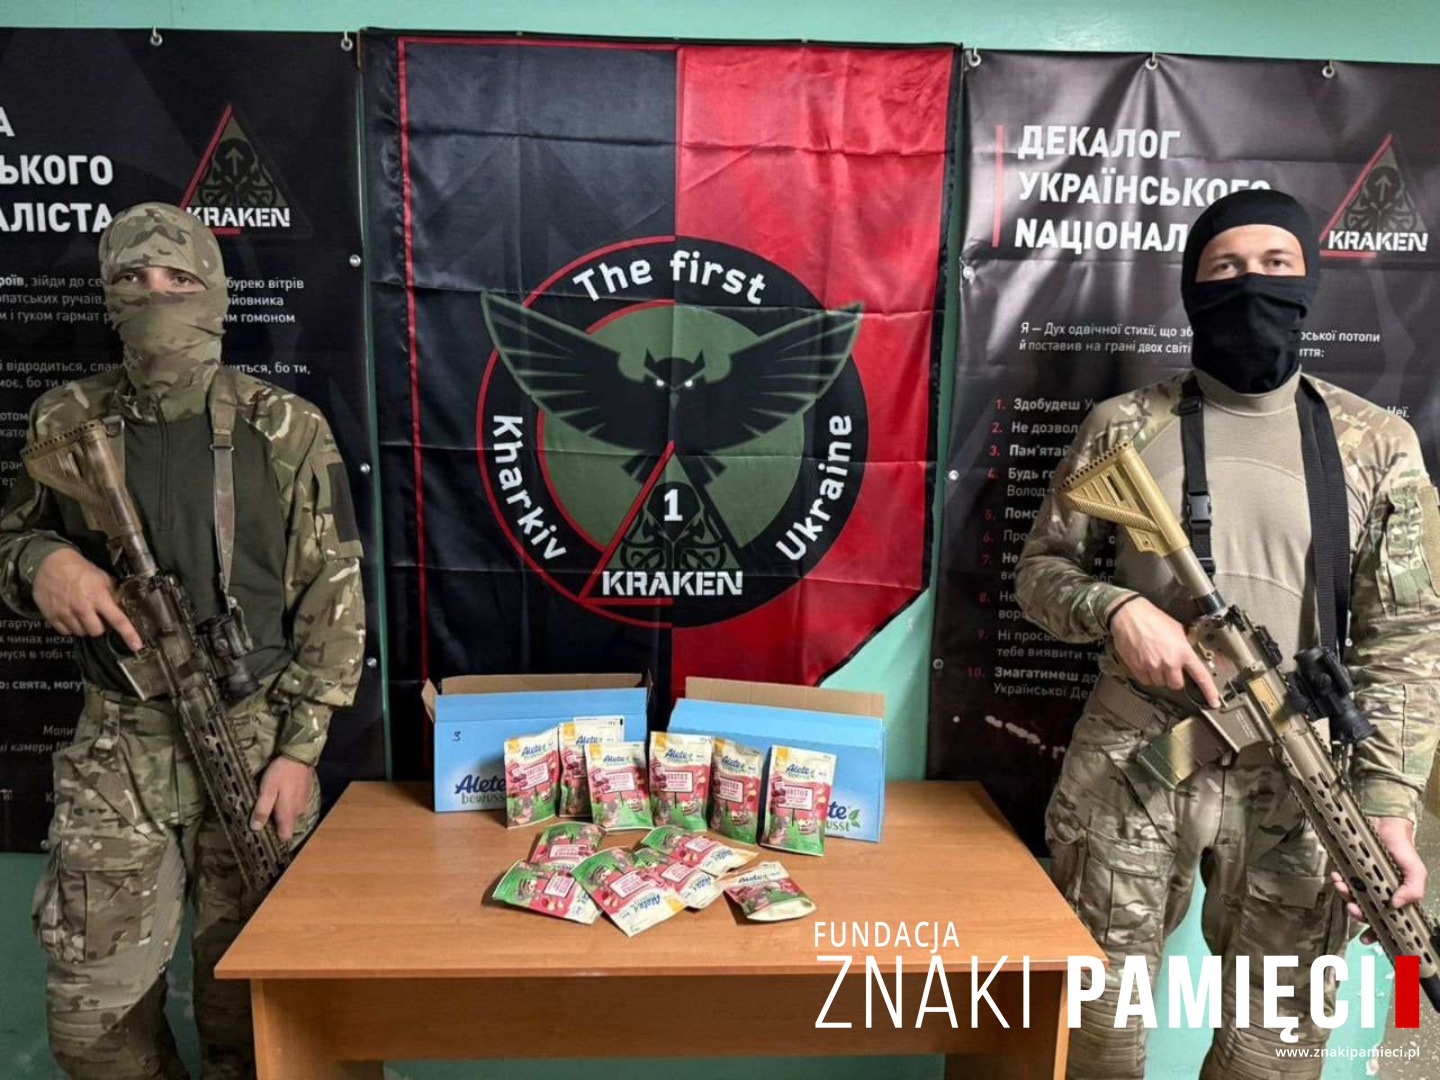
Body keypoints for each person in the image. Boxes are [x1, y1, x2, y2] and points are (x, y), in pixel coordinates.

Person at [1016, 188, 1439, 1079]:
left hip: (1299, 773)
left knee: (1274, 1047)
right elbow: (1041, 575)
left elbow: (1404, 642)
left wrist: (1390, 808)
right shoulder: (1125, 428)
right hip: (1138, 757)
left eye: (1276, 265)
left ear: (1308, 282)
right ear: (1193, 288)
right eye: (1227, 267)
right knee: (1094, 1024)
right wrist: (1117, 609)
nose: (1253, 284)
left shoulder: (1376, 444)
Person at [0, 202, 365, 1078]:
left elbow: (336, 596)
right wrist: (43, 562)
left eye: (178, 279)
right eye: (132, 278)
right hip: (117, 746)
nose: (155, 296)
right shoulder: (65, 420)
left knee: (259, 1006)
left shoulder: (285, 426)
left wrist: (300, 748)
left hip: (255, 737)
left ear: (216, 293)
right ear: (108, 294)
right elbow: (11, 538)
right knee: (94, 1025)